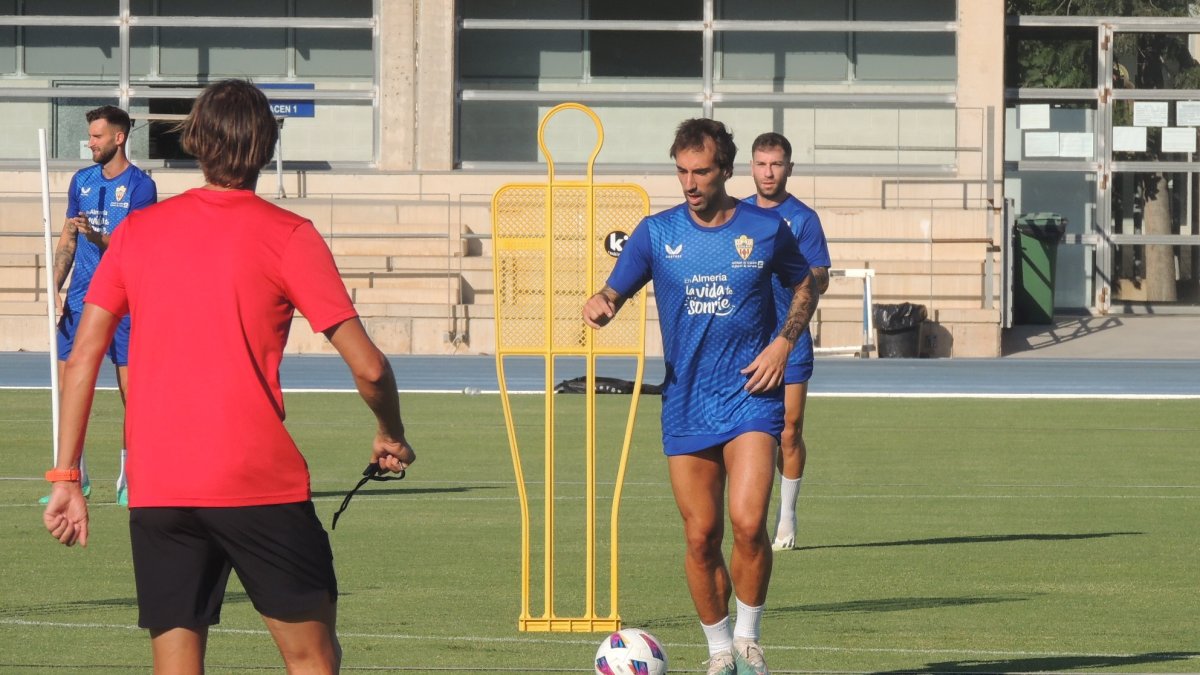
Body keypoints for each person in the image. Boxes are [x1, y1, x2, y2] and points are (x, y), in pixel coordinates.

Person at [42, 79, 415, 674]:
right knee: (313, 660)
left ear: (195, 142)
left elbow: (83, 357)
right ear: (266, 146)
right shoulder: (290, 236)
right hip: (256, 482)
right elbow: (369, 367)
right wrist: (390, 432)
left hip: (158, 485)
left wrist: (66, 475)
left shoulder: (137, 232)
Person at [583, 119, 817, 675]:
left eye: (702, 171)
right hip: (687, 402)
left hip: (750, 396)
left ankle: (748, 639)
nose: (690, 182)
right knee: (699, 536)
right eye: (682, 171)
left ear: (725, 170)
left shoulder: (765, 228)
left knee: (747, 523)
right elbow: (615, 288)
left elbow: (806, 282)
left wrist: (784, 344)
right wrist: (603, 301)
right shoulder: (656, 233)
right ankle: (717, 654)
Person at [47, 105, 157, 506]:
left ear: (119, 138)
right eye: (90, 136)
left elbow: (136, 248)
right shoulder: (82, 181)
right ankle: (75, 474)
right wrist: (53, 286)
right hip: (79, 301)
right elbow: (67, 240)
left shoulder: (142, 187)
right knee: (68, 389)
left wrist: (97, 236)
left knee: (132, 394)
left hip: (124, 303)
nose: (90, 143)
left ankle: (131, 477)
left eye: (96, 136)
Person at [744, 133, 831, 551]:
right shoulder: (737, 214)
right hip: (745, 343)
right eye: (761, 164)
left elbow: (822, 279)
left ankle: (787, 517)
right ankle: (747, 518)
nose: (768, 172)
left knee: (789, 431)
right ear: (751, 167)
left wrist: (793, 273)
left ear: (789, 168)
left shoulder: (803, 219)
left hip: (791, 341)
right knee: (745, 432)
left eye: (776, 164)